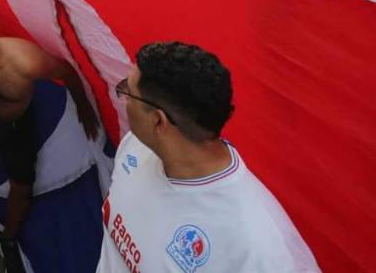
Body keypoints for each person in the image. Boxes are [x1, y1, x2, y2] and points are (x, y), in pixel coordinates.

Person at [99, 42, 318, 272]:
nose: (122, 97)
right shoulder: (136, 147)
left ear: (158, 120)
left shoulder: (261, 250)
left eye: (129, 93)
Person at [0, 10, 100, 273]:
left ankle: (9, 239)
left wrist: (83, 107)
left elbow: (67, 72)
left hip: (17, 125)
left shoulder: (26, 61)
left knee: (23, 186)